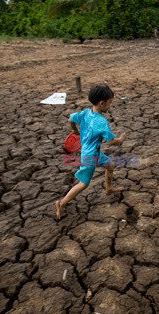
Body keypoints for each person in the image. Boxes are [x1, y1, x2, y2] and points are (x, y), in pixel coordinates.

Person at [55, 84, 126, 220]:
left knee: (110, 165)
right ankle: (61, 203)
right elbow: (111, 141)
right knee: (83, 184)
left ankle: (109, 189)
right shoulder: (102, 122)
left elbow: (70, 119)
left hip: (92, 152)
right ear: (102, 103)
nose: (110, 105)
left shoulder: (85, 113)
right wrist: (121, 139)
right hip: (90, 156)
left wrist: (75, 130)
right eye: (110, 102)